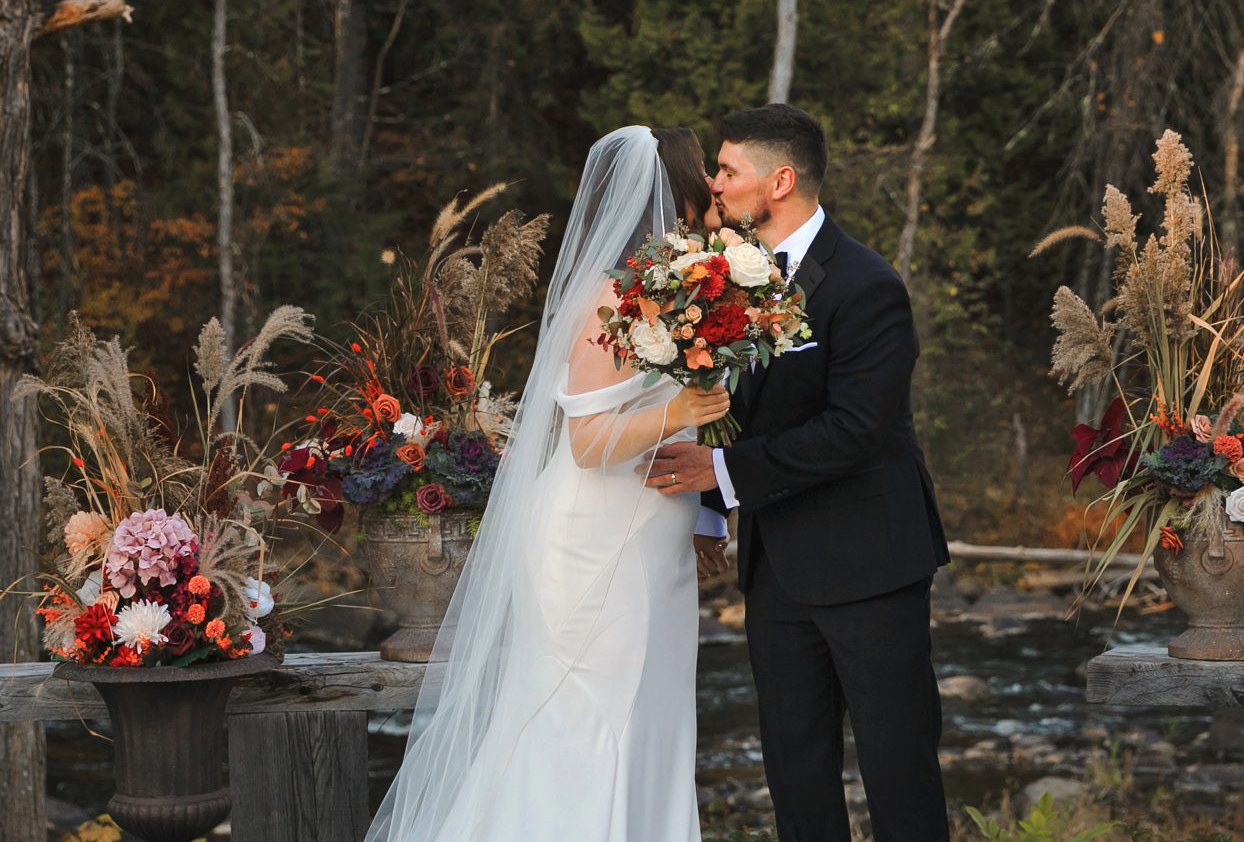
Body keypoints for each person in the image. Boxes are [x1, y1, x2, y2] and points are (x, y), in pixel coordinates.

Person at [364, 125, 728, 841]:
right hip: (596, 542)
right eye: (702, 189)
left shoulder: (675, 293)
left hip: (656, 536)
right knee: (587, 719)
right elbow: (590, 443)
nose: (713, 204)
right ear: (672, 199)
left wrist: (706, 510)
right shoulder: (606, 301)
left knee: (652, 716)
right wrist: (683, 410)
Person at [647, 103, 953, 842]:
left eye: (727, 170)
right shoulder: (725, 280)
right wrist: (712, 513)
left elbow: (855, 430)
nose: (713, 184)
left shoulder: (865, 285)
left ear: (779, 180)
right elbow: (727, 408)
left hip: (870, 566)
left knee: (898, 773)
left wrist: (719, 473)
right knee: (795, 775)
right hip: (776, 569)